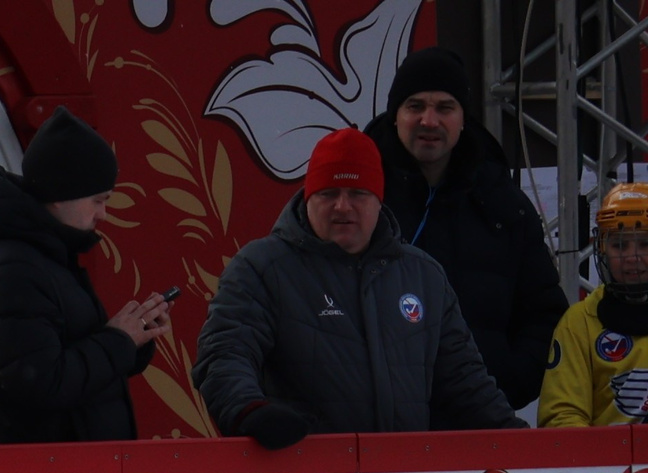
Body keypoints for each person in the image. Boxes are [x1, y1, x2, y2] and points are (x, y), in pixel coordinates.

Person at [194, 128, 522, 446]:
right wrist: (249, 411)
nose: (342, 206)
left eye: (357, 193)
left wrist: (520, 442)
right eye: (329, 193)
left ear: (379, 199)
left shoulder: (424, 275)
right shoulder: (261, 267)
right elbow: (225, 354)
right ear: (308, 197)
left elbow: (466, 382)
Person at [365, 45, 564, 409]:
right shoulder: (360, 200)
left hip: (478, 419)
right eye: (415, 106)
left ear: (462, 118)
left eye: (445, 107)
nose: (429, 120)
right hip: (377, 421)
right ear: (395, 115)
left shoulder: (504, 205)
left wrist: (506, 382)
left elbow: (544, 313)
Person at [0, 107, 168, 444]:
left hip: (53, 469)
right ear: (62, 193)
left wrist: (132, 340)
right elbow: (40, 383)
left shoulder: (39, 254)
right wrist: (118, 341)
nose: (103, 214)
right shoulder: (17, 268)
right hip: (36, 471)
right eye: (97, 200)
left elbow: (62, 367)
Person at [540, 183, 648, 426]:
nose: (632, 257)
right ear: (602, 249)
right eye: (619, 245)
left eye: (645, 244)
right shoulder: (580, 322)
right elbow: (563, 416)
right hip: (611, 452)